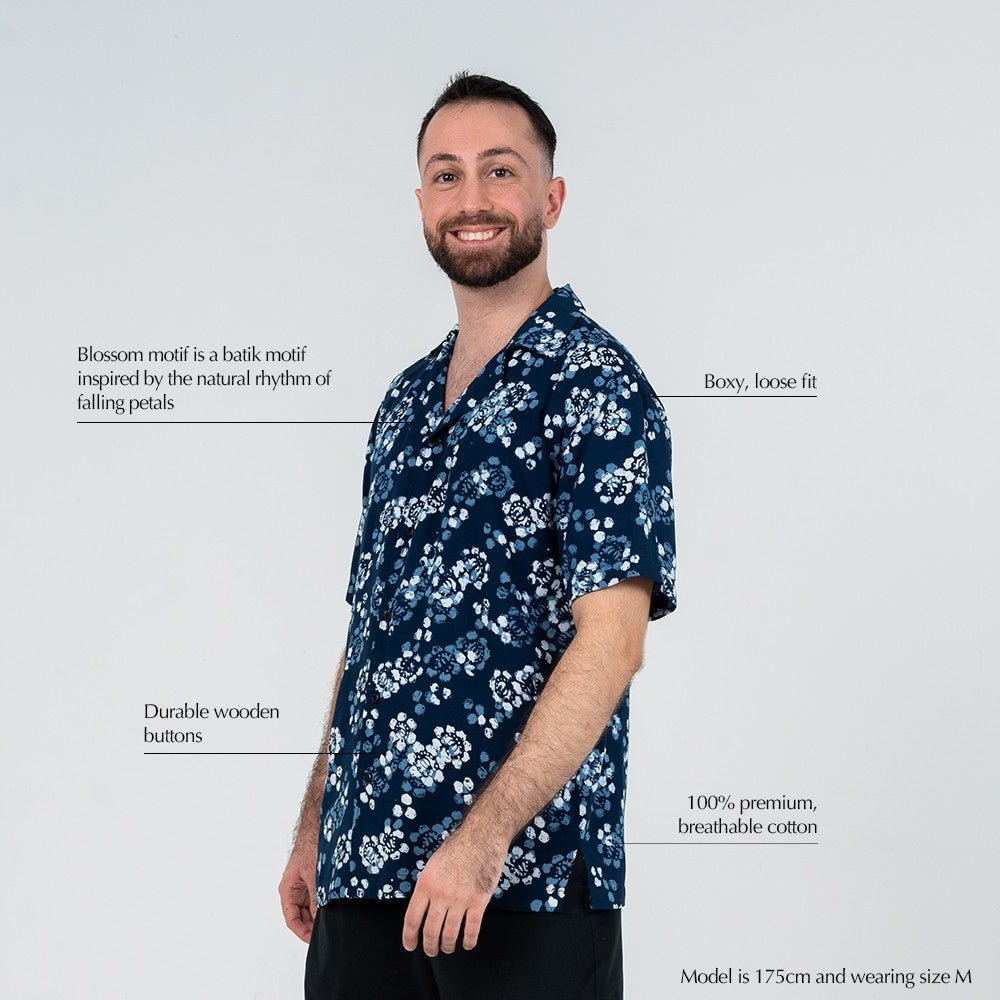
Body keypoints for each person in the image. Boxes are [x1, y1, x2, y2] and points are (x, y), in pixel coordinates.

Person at [279, 70, 678, 1000]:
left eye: (500, 171)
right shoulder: (405, 402)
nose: (473, 200)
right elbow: (369, 635)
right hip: (365, 880)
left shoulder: (597, 386)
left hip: (523, 891)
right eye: (446, 174)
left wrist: (483, 838)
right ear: (422, 201)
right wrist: (317, 825)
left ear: (551, 197)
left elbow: (612, 642)